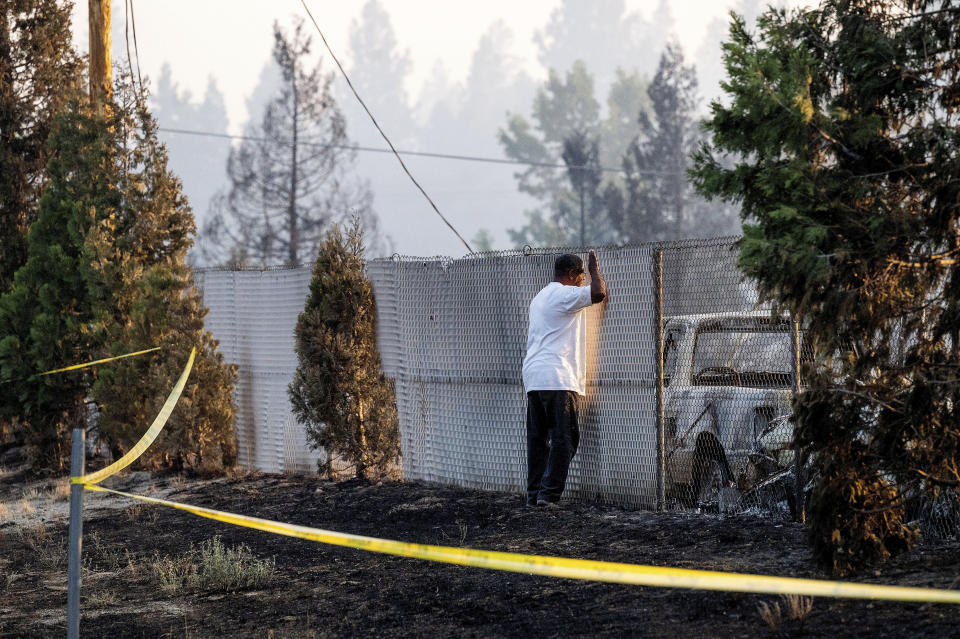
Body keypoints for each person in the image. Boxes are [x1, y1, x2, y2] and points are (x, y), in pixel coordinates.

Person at [522, 250, 607, 506]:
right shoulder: (564, 294)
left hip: (535, 378)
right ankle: (548, 497)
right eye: (581, 276)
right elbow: (598, 293)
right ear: (571, 275)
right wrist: (594, 269)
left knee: (538, 441)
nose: (583, 280)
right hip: (557, 378)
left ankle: (534, 495)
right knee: (565, 439)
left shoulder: (540, 297)